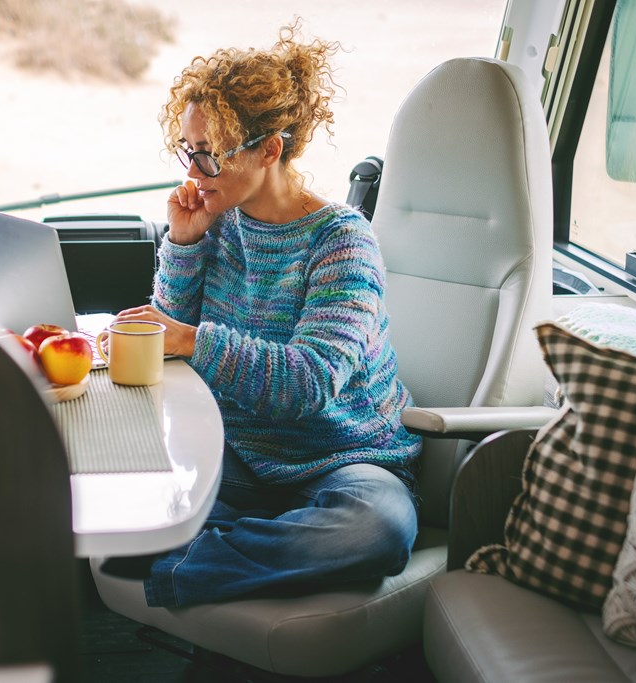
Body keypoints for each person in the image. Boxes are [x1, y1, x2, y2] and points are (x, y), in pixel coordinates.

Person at [101, 22, 422, 608]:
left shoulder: (341, 241)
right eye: (188, 151)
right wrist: (183, 242)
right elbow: (167, 340)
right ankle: (219, 554)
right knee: (118, 496)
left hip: (341, 462)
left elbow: (309, 382)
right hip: (233, 456)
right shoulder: (216, 220)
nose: (193, 171)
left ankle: (174, 571)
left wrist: (194, 340)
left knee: (380, 528)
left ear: (269, 149)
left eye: (209, 155)